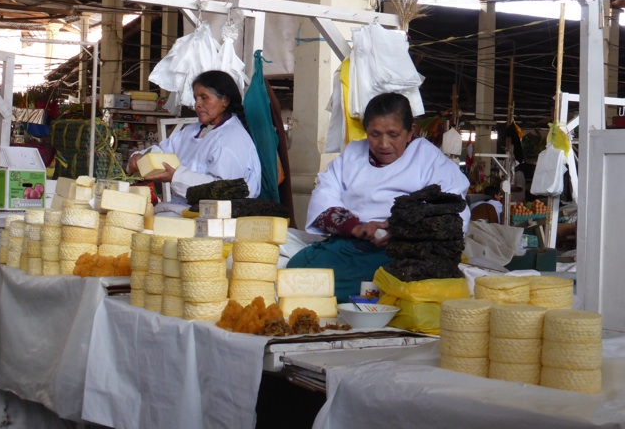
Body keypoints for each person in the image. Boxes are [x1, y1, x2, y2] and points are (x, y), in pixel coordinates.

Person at [287, 92, 471, 302]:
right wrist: (355, 227)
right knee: (296, 270)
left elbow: (453, 210)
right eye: (375, 134)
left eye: (393, 135)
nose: (383, 144)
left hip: (404, 250)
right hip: (352, 244)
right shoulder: (353, 154)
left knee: (384, 282)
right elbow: (325, 193)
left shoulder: (430, 159)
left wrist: (397, 229)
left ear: (410, 132)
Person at [127, 70, 261, 215]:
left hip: (213, 217)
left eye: (204, 98)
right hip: (182, 210)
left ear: (225, 101)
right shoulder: (191, 131)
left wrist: (176, 177)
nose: (197, 104)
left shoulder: (232, 138)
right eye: (196, 98)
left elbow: (224, 190)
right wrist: (140, 157)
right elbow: (162, 151)